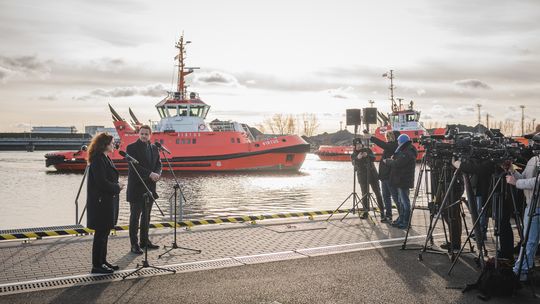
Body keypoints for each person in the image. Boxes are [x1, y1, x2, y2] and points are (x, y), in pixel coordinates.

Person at [86, 132, 124, 274]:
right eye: (112, 143)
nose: (114, 145)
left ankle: (103, 261)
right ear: (105, 144)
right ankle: (96, 265)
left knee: (105, 233)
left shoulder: (105, 158)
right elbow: (101, 182)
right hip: (100, 203)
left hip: (107, 202)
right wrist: (117, 186)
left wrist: (116, 186)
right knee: (100, 234)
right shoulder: (97, 159)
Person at [506, 133, 540, 282]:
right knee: (529, 240)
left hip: (536, 207)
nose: (532, 145)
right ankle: (523, 269)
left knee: (530, 240)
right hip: (530, 205)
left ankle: (520, 270)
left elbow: (537, 182)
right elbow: (525, 178)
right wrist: (512, 171)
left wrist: (516, 183)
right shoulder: (533, 159)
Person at [127, 125, 162, 254]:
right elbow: (134, 168)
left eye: (146, 134)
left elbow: (159, 163)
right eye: (142, 133)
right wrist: (149, 174)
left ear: (150, 135)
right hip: (136, 187)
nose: (144, 136)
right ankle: (134, 244)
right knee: (135, 217)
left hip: (150, 187)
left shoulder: (154, 148)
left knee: (146, 216)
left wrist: (157, 173)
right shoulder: (131, 148)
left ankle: (144, 241)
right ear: (138, 134)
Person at [385, 134, 417, 229]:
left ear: (401, 141)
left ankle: (406, 222)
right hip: (401, 179)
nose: (397, 143)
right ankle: (401, 219)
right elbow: (399, 161)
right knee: (401, 201)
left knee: (405, 202)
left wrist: (388, 161)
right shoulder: (405, 150)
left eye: (398, 141)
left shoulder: (406, 152)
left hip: (404, 180)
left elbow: (398, 163)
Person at [370, 130, 401, 223]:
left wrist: (371, 138)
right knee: (386, 197)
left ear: (394, 137)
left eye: (389, 136)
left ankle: (403, 216)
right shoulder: (389, 147)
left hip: (390, 177)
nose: (388, 138)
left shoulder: (394, 146)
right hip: (384, 177)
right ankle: (388, 216)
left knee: (395, 197)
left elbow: (383, 144)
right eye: (387, 136)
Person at [351, 138, 385, 219]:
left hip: (372, 175)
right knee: (364, 194)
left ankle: (382, 213)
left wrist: (367, 155)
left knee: (378, 193)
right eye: (357, 145)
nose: (358, 146)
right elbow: (353, 164)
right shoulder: (353, 154)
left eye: (359, 144)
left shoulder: (367, 150)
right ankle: (365, 212)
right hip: (362, 177)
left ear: (362, 144)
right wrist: (357, 158)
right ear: (354, 146)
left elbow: (374, 158)